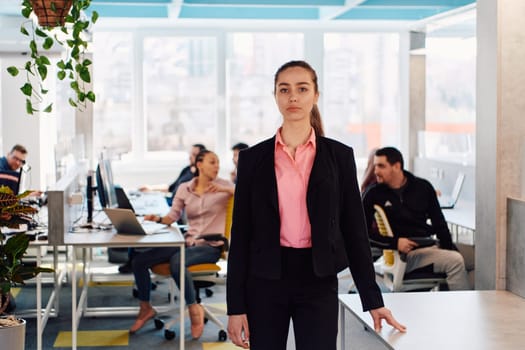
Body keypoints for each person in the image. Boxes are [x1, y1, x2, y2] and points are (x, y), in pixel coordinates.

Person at [226, 60, 405, 350]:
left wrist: (373, 300)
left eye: (302, 88)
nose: (293, 97)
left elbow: (354, 231)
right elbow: (241, 236)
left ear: (316, 95)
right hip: (265, 279)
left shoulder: (339, 157)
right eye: (284, 90)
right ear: (275, 97)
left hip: (318, 278)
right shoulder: (253, 160)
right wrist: (235, 307)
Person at [129, 150, 234, 339]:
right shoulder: (185, 188)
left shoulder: (225, 186)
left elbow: (252, 193)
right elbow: (172, 216)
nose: (217, 166)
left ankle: (194, 308)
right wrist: (155, 219)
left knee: (177, 260)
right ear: (200, 164)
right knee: (139, 260)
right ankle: (145, 308)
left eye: (218, 163)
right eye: (212, 162)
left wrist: (226, 190)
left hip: (211, 246)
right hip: (189, 241)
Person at [362, 146, 470, 291]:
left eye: (381, 166)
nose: (375, 171)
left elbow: (440, 224)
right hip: (406, 254)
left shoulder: (422, 187)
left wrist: (448, 248)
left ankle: (449, 301)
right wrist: (395, 243)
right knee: (455, 261)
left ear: (397, 166)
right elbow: (361, 233)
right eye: (375, 166)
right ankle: (461, 309)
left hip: (429, 245)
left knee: (476, 258)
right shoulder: (373, 194)